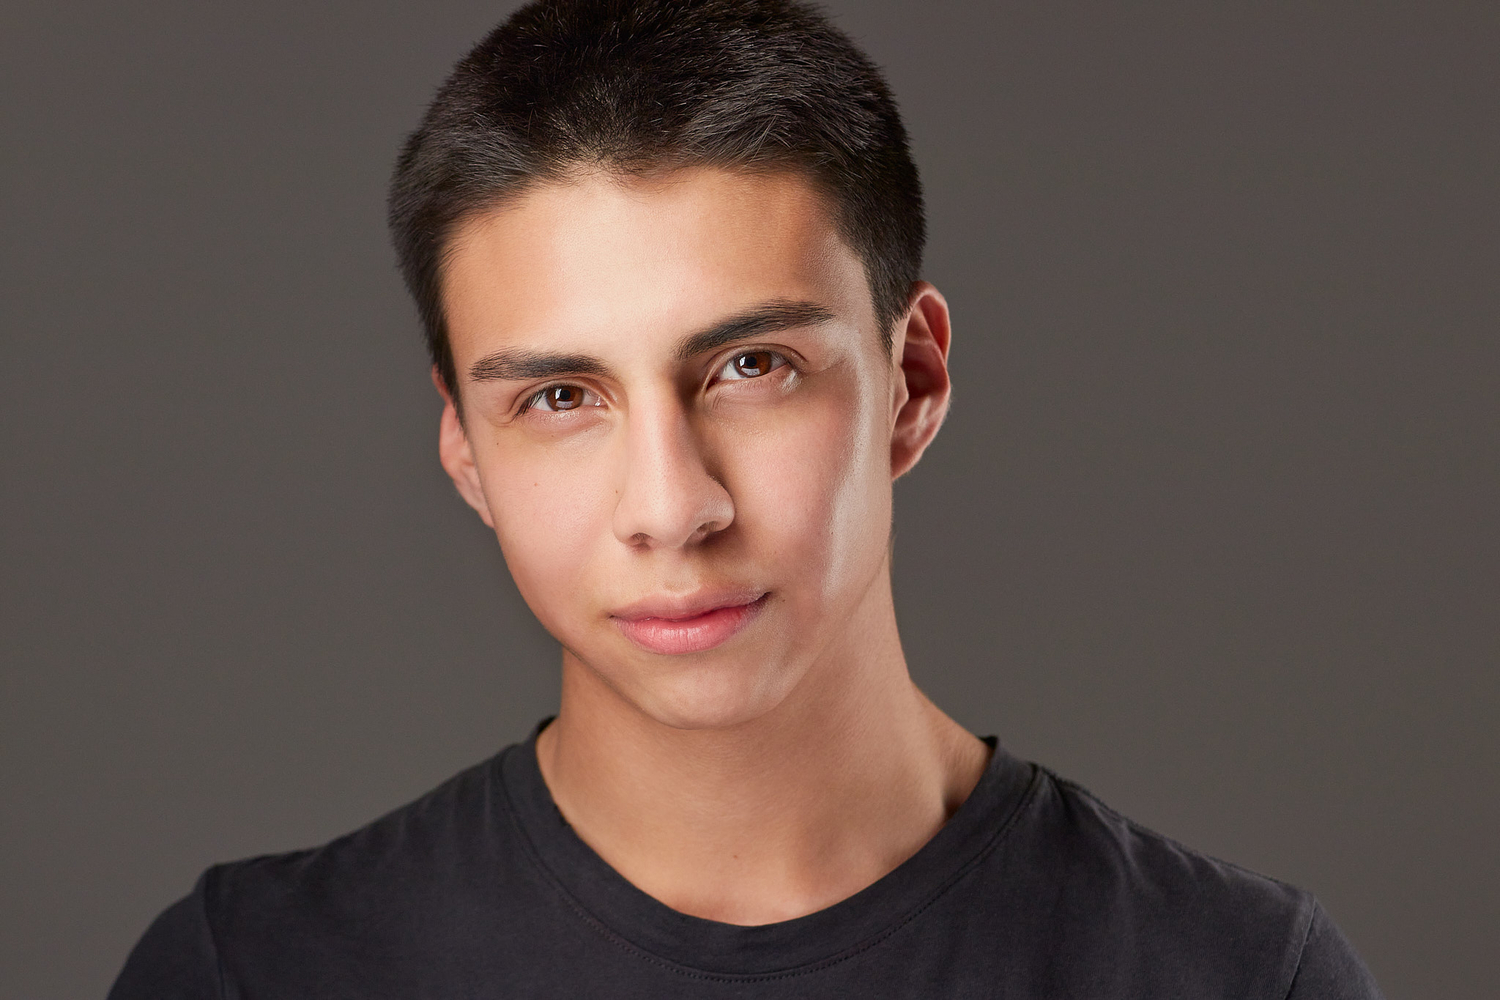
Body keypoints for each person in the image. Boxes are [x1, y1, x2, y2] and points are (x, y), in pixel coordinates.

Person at [109, 1, 1383, 996]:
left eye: (751, 368)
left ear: (912, 381)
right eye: (561, 396)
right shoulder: (254, 973)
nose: (672, 508)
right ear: (464, 449)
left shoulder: (1233, 974)